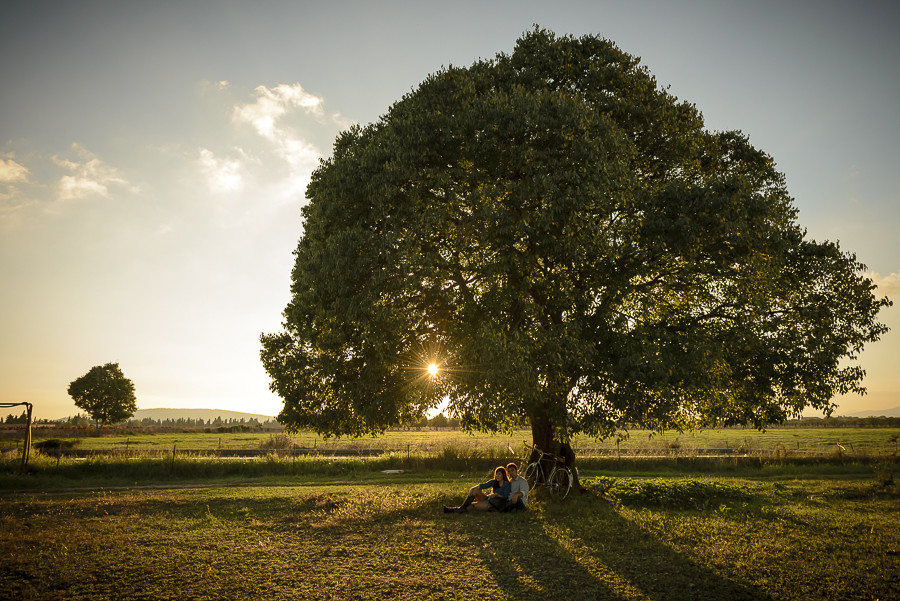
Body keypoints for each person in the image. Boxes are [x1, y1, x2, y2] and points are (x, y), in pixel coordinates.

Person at [443, 466, 510, 513]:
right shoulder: (494, 482)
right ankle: (460, 509)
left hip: (494, 504)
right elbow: (483, 485)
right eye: (496, 474)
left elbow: (505, 497)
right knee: (475, 490)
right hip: (488, 499)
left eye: (499, 474)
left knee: (473, 506)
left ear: (503, 475)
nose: (497, 476)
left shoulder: (506, 484)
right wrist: (473, 488)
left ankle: (453, 510)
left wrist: (496, 494)